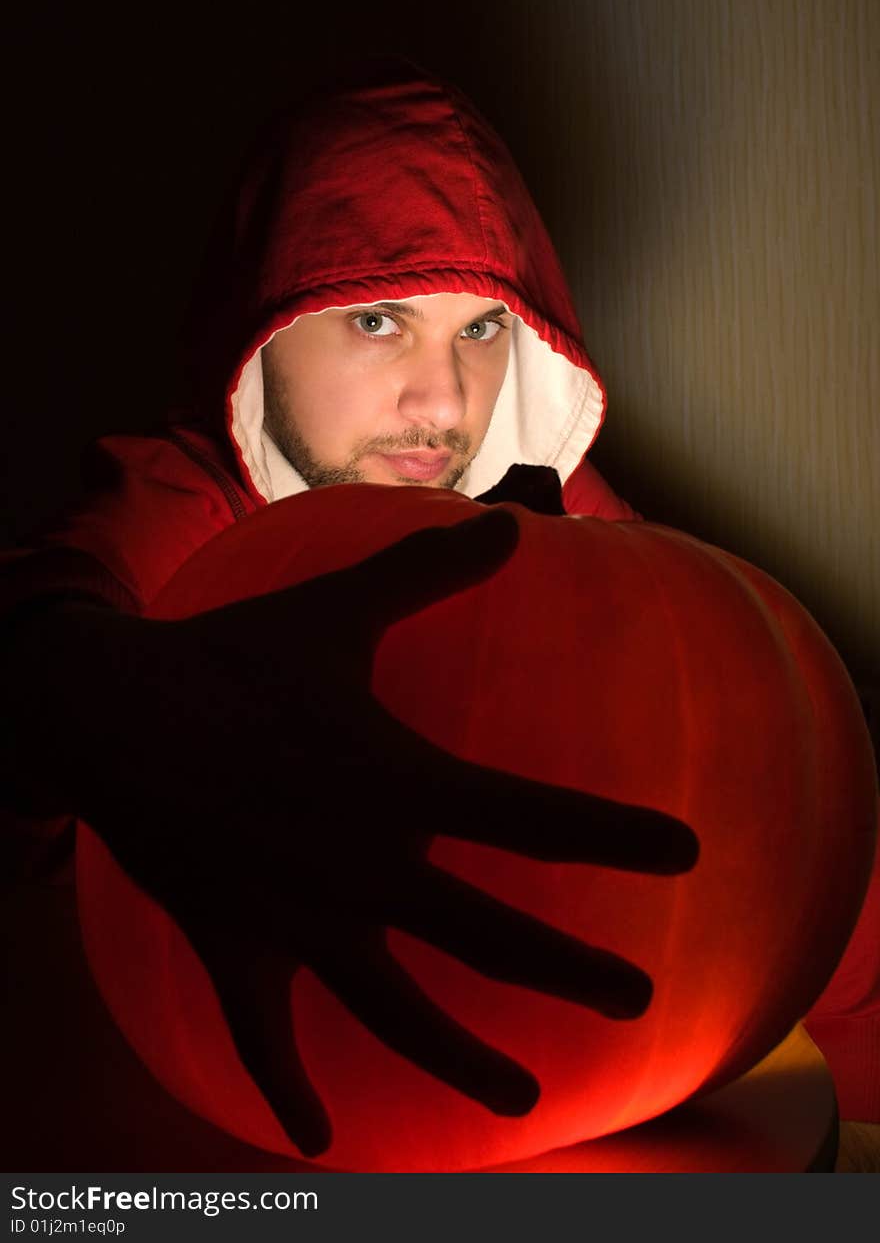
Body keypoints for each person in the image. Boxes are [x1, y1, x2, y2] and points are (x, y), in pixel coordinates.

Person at [2, 56, 877, 1161]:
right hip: (199, 1127)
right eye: (376, 321)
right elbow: (40, 617)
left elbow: (764, 788)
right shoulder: (180, 503)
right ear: (263, 341)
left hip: (574, 1117)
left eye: (480, 330)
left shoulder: (563, 522)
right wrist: (97, 698)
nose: (445, 400)